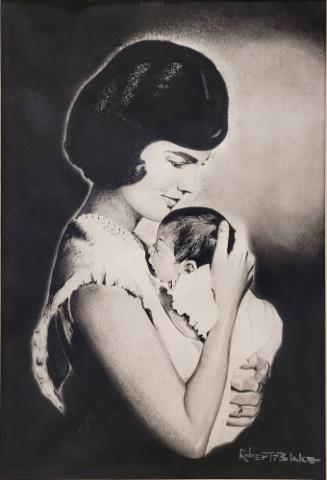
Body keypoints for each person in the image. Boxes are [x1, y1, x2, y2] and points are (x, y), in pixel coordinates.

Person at [31, 40, 281, 467]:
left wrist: (243, 380)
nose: (192, 186)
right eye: (179, 160)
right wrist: (228, 304)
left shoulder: (128, 241)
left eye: (201, 165)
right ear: (127, 142)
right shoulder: (100, 283)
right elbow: (189, 438)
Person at [146, 206, 282, 451]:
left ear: (187, 269)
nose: (149, 251)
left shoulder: (188, 297)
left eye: (157, 249)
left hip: (208, 417)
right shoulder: (171, 275)